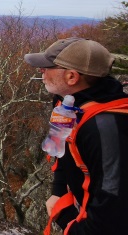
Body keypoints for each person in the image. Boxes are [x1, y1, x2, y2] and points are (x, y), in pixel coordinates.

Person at [24, 37, 128, 235]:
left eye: (48, 67)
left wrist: (67, 220)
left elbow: (114, 208)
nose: (41, 71)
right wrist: (59, 191)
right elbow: (61, 148)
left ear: (72, 77)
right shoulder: (69, 105)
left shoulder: (103, 127)